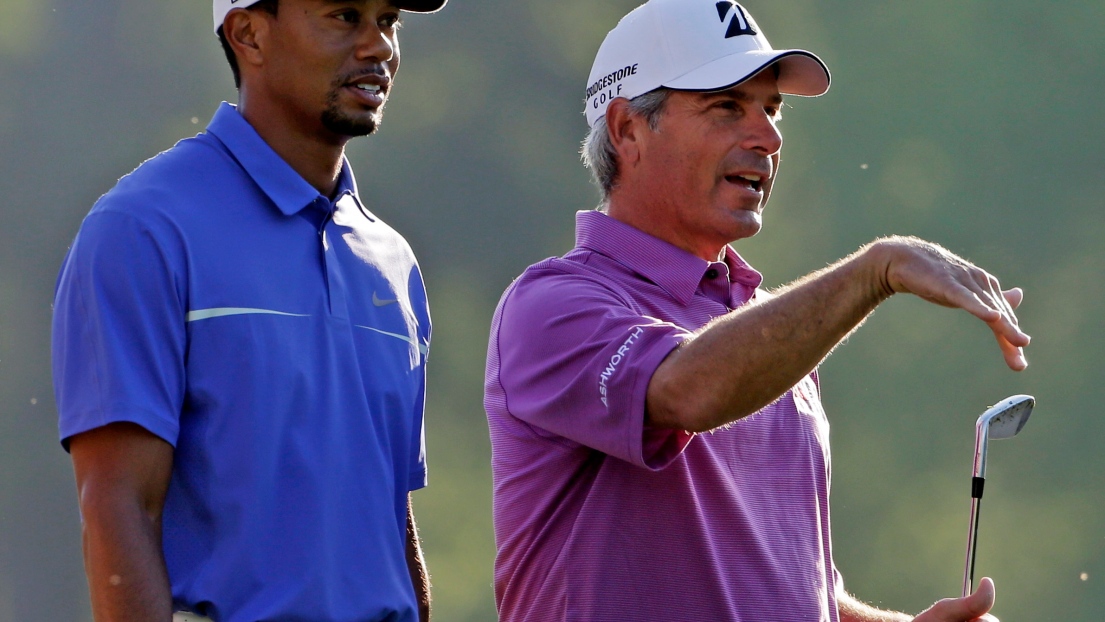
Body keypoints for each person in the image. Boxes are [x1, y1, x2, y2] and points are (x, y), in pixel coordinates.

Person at [484, 1, 1029, 620]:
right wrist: (875, 269)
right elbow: (689, 390)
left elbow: (797, 586)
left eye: (771, 109)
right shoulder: (551, 306)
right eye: (727, 107)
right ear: (627, 129)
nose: (768, 137)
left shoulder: (769, 331)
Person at [51, 1, 447, 620]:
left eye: (388, 19)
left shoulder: (393, 262)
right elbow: (118, 504)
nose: (379, 46)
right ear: (249, 35)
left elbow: (393, 519)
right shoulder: (144, 228)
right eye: (345, 16)